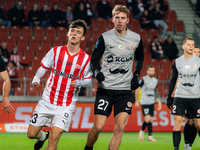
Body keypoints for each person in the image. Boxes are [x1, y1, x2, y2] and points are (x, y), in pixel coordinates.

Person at [84, 5, 144, 150]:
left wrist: (136, 75)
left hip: (124, 90)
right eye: (117, 17)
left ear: (127, 20)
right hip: (106, 89)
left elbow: (140, 57)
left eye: (123, 18)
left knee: (120, 127)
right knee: (98, 127)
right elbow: (94, 60)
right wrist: (97, 73)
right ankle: (88, 148)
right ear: (112, 19)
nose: (119, 20)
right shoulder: (105, 37)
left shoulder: (136, 38)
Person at [27, 19, 92, 150]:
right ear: (68, 33)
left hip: (65, 106)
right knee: (31, 134)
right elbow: (43, 67)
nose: (74, 34)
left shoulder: (86, 59)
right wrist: (37, 77)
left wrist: (79, 82)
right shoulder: (56, 51)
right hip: (47, 100)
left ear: (83, 37)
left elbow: (88, 80)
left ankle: (48, 138)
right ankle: (42, 137)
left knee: (54, 138)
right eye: (72, 31)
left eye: (78, 32)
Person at [167, 37, 200, 150]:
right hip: (179, 96)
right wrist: (169, 97)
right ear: (183, 46)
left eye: (193, 44)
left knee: (198, 124)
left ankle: (188, 145)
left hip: (195, 97)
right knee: (177, 122)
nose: (191, 46)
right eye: (189, 44)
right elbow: (173, 80)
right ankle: (176, 148)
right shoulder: (177, 62)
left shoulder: (198, 61)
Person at [135, 65, 162, 142]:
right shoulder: (143, 80)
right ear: (147, 71)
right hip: (144, 102)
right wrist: (136, 100)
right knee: (147, 119)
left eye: (152, 71)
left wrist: (159, 102)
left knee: (151, 120)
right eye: (150, 70)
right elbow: (137, 89)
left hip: (151, 102)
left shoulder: (155, 81)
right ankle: (142, 131)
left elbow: (155, 92)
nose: (151, 72)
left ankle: (150, 136)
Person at [183, 45, 200, 150]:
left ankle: (189, 145)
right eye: (195, 52)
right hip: (190, 97)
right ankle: (187, 145)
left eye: (198, 52)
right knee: (190, 121)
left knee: (197, 124)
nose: (197, 54)